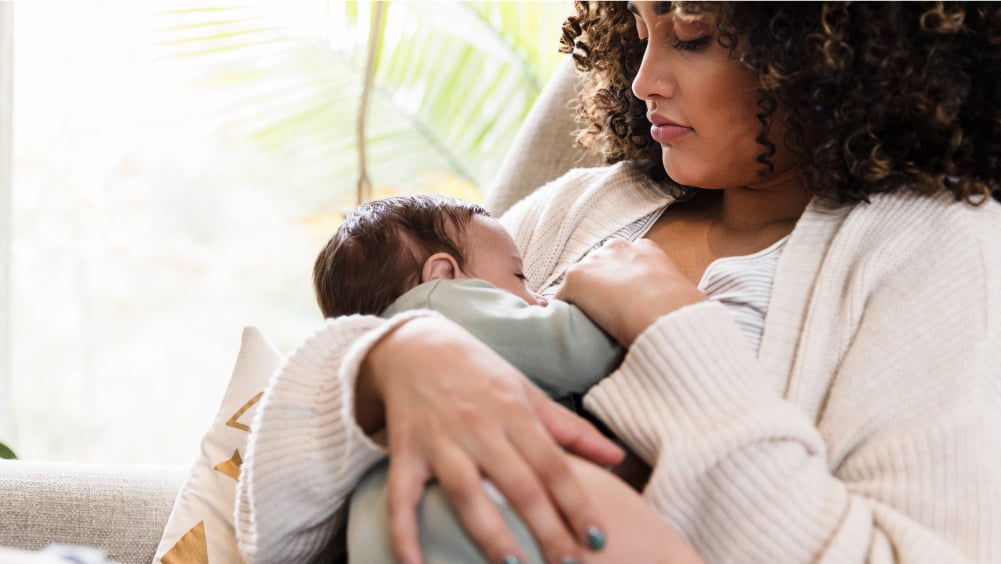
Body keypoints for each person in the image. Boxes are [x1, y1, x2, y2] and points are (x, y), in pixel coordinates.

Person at [236, 2, 1001, 564]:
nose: (643, 80)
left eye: (691, 36)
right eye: (637, 32)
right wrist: (388, 364)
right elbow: (268, 529)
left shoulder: (936, 250)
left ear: (829, 50)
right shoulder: (585, 204)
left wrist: (673, 332)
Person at [312, 193, 629, 563]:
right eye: (519, 277)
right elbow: (578, 349)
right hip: (462, 516)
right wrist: (610, 286)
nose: (540, 298)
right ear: (444, 275)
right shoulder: (438, 308)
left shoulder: (368, 367)